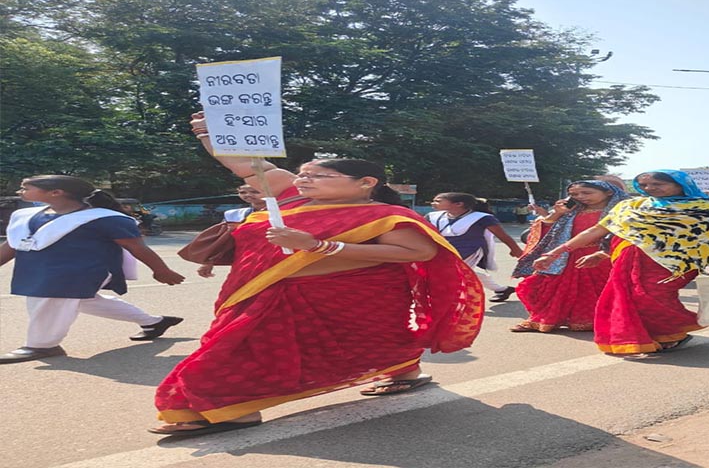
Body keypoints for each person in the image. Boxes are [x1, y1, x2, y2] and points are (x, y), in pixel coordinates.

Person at [150, 114, 485, 436]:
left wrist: (319, 246)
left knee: (362, 342)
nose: (304, 180)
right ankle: (403, 370)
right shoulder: (290, 198)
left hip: (354, 299)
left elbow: (418, 253)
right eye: (302, 174)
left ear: (366, 183)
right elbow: (247, 165)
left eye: (319, 176)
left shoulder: (386, 215)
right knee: (242, 348)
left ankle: (229, 408)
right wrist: (209, 133)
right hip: (272, 295)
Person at [532, 170, 709, 357]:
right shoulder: (632, 205)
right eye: (644, 185)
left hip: (677, 263)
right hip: (628, 258)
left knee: (651, 296)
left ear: (681, 184)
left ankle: (673, 331)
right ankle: (652, 336)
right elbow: (597, 231)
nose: (650, 188)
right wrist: (555, 253)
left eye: (658, 184)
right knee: (628, 298)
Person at [0, 176, 185, 364]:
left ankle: (42, 346)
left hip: (82, 271)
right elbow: (13, 244)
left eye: (26, 188)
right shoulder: (26, 216)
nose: (20, 192)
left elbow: (136, 246)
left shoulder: (105, 218)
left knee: (51, 301)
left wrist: (161, 270)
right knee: (82, 301)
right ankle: (154, 322)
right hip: (38, 271)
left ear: (56, 192)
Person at [510, 180, 629, 332]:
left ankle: (592, 321)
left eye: (587, 193)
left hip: (602, 256)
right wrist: (558, 213)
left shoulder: (621, 212)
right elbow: (546, 231)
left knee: (595, 292)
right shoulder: (572, 211)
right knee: (550, 289)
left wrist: (604, 253)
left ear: (609, 193)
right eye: (574, 194)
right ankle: (542, 319)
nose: (581, 197)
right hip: (567, 255)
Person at [428, 193, 524, 302]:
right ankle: (501, 289)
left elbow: (502, 235)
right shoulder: (433, 216)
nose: (433, 203)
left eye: (438, 201)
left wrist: (515, 249)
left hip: (469, 251)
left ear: (458, 204)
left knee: (452, 273)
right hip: (444, 251)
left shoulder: (482, 218)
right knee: (464, 271)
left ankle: (453, 301)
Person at [196, 185, 267, 279]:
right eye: (243, 192)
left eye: (255, 192)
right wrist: (209, 262)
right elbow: (224, 240)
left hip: (275, 258)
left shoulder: (282, 213)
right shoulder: (233, 214)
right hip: (244, 259)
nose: (248, 195)